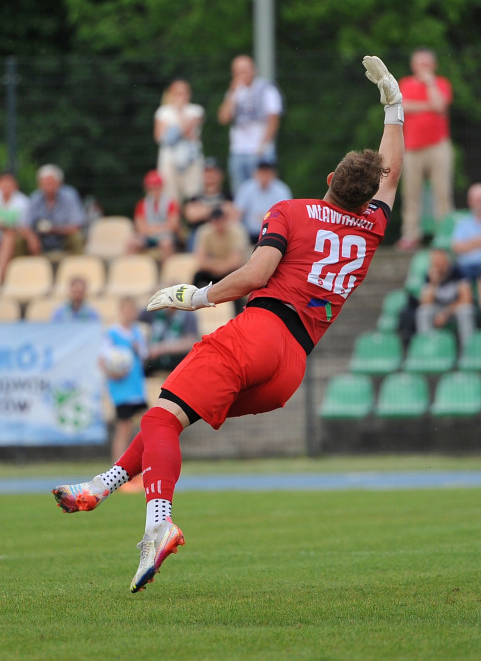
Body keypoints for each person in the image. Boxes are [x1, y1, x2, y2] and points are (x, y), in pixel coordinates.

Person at [51, 54, 405, 593]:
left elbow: (258, 272)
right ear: (367, 195)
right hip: (291, 367)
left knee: (163, 420)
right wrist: (394, 106)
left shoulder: (294, 210)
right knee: (168, 416)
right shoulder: (373, 226)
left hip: (260, 332)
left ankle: (158, 524)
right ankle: (102, 487)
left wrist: (197, 297)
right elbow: (393, 171)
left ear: (331, 179)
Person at [396, 47, 453, 250]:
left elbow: (440, 105)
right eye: (420, 63)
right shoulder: (405, 83)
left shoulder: (441, 83)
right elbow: (402, 106)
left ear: (434, 66)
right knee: (411, 192)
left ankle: (444, 233)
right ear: (413, 66)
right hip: (412, 147)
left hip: (438, 145)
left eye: (427, 63)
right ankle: (411, 234)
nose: (423, 67)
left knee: (442, 191)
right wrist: (428, 105)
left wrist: (429, 84)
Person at [101, 297, 149, 493]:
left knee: (147, 426)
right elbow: (103, 359)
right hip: (122, 389)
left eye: (133, 310)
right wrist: (113, 371)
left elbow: (145, 356)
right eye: (128, 310)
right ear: (122, 311)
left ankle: (138, 471)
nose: (131, 313)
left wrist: (140, 350)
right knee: (123, 429)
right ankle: (117, 473)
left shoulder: (137, 333)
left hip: (137, 388)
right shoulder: (112, 334)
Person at [217, 55, 284, 193]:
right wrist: (232, 93)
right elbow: (223, 118)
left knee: (263, 191)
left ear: (253, 70)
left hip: (259, 151)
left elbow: (273, 118)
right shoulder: (234, 92)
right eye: (238, 71)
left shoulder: (267, 89)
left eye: (244, 70)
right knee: (240, 193)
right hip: (238, 150)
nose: (241, 74)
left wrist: (262, 146)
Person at [154, 79, 205, 203]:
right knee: (171, 198)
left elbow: (188, 132)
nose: (181, 96)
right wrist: (182, 127)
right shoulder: (163, 112)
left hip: (192, 161)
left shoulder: (196, 110)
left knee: (194, 196)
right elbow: (160, 137)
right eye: (177, 93)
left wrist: (177, 120)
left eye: (184, 93)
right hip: (169, 161)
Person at [414, 248, 475, 347]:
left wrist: (445, 314)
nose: (436, 264)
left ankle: (468, 348)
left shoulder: (458, 272)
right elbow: (425, 303)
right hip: (438, 309)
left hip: (454, 309)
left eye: (439, 261)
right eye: (434, 261)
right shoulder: (429, 276)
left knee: (466, 311)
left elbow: (466, 299)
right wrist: (433, 283)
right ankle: (428, 347)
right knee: (423, 312)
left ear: (446, 261)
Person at [24, 164, 86, 258]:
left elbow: (76, 225)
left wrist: (55, 229)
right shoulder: (35, 198)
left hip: (63, 238)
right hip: (41, 239)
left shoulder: (70, 196)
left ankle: (79, 266)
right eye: (44, 183)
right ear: (39, 184)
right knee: (19, 240)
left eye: (50, 182)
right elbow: (25, 225)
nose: (47, 186)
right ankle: (22, 270)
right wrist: (31, 237)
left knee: (76, 237)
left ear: (59, 183)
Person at [234, 160, 292, 244]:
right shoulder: (246, 188)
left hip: (273, 234)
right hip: (249, 234)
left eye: (267, 173)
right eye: (262, 173)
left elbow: (287, 214)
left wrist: (267, 217)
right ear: (255, 173)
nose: (264, 176)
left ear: (273, 174)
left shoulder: (281, 189)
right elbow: (237, 212)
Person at [182, 159, 235, 248]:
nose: (210, 175)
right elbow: (191, 216)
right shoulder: (194, 197)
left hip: (223, 231)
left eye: (213, 172)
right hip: (199, 233)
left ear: (220, 175)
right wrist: (219, 209)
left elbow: (233, 215)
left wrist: (203, 210)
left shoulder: (228, 195)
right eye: (207, 172)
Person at [128, 171, 180, 262]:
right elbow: (140, 227)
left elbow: (173, 225)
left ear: (162, 188)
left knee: (166, 244)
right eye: (151, 188)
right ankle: (129, 270)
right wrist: (159, 228)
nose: (154, 191)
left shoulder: (171, 203)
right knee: (132, 243)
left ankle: (167, 272)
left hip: (165, 236)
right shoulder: (142, 204)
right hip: (148, 236)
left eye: (157, 188)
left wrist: (153, 229)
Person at [192, 207, 250, 288]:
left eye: (220, 222)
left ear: (226, 220)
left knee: (238, 277)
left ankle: (240, 301)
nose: (218, 226)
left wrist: (214, 265)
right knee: (198, 276)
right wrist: (220, 266)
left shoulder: (237, 231)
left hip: (231, 272)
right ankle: (193, 299)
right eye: (215, 223)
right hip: (216, 269)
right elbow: (201, 261)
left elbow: (236, 262)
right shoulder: (204, 231)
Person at [138, 302, 201, 375]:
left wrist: (162, 348)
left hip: (176, 362)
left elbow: (191, 341)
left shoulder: (188, 314)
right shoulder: (153, 310)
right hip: (152, 361)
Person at [0, 171, 30, 281]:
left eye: (9, 184)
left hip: (13, 237)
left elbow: (23, 228)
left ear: (15, 186)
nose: (6, 187)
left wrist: (6, 227)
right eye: (4, 183)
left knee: (8, 238)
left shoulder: (22, 202)